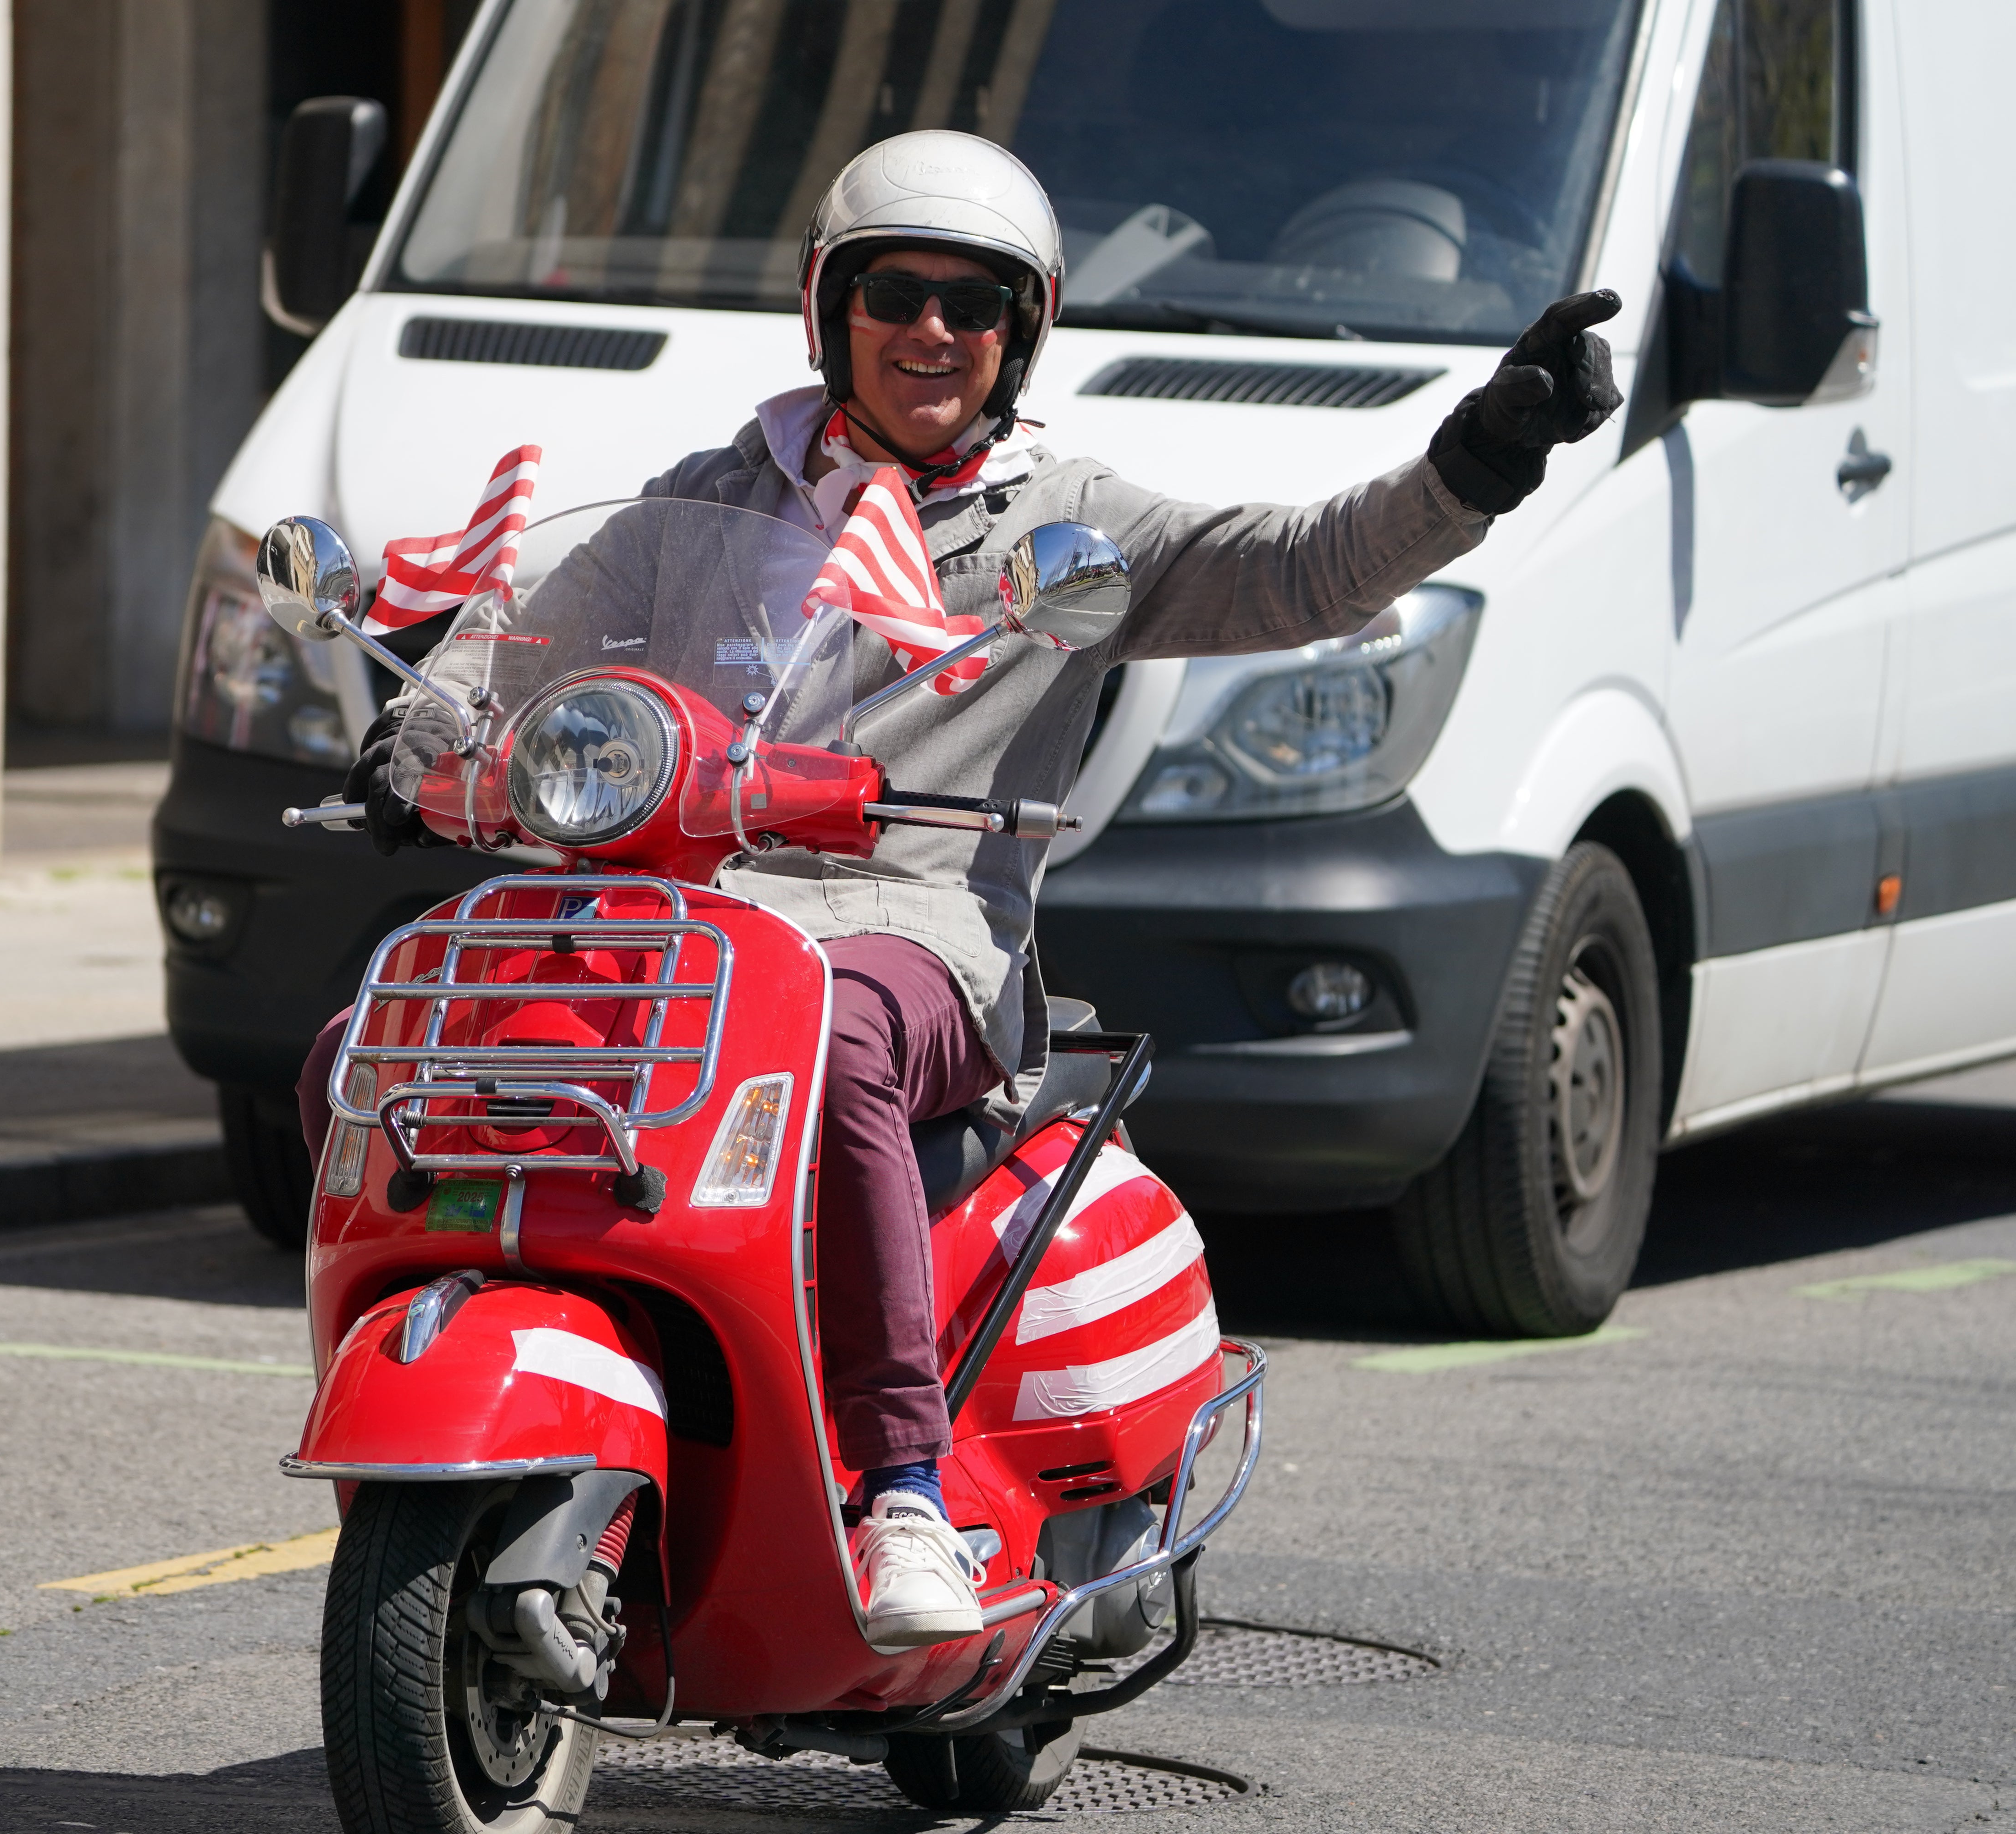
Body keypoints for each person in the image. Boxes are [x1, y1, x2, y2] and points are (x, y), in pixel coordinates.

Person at [302, 131, 1622, 1646]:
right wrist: (424, 732)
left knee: (832, 1036)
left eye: (974, 304)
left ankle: (902, 1486)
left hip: (914, 926)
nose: (932, 329)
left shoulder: (1063, 522)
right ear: (831, 307)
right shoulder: (711, 492)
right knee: (396, 1017)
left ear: (1021, 333)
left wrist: (1477, 463)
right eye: (896, 292)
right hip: (679, 913)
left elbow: (1295, 570)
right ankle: (455, 1361)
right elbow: (525, 632)